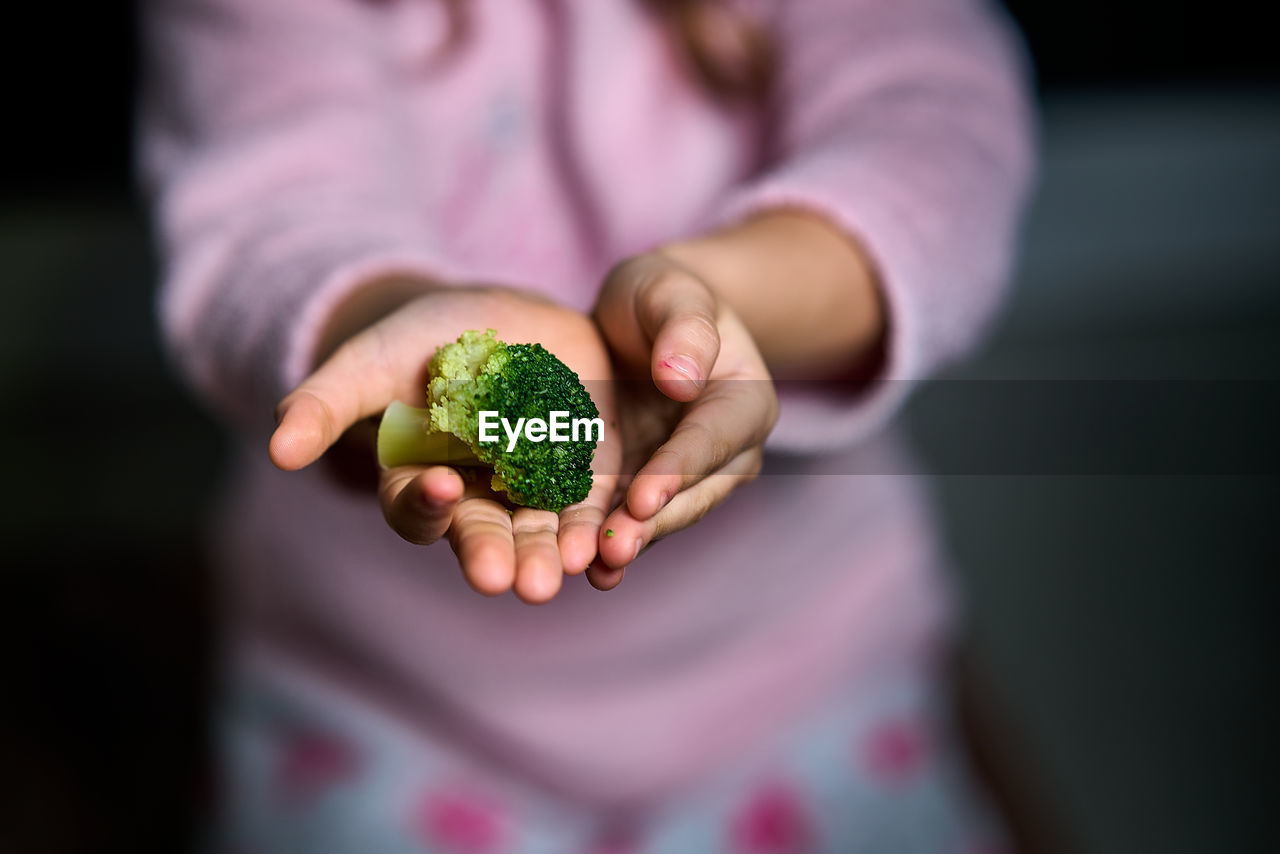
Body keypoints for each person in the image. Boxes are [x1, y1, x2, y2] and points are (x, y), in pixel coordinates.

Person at [141, 0, 1035, 850]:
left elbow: (938, 144)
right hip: (382, 717)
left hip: (804, 698)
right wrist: (402, 336)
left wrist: (717, 309)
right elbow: (276, 215)